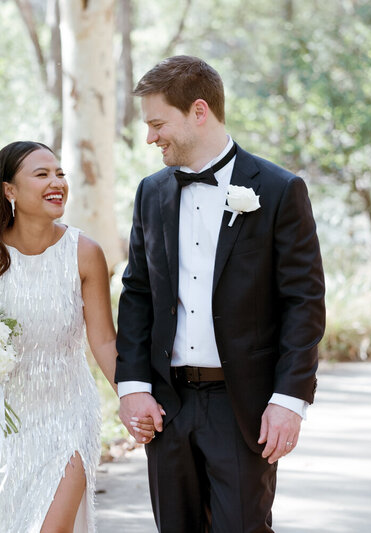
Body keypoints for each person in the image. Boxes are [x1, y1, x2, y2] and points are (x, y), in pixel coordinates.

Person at [115, 56, 326, 532]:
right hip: (167, 407)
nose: (151, 137)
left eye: (157, 123)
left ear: (199, 111)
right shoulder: (151, 192)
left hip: (242, 406)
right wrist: (132, 388)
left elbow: (304, 302)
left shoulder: (278, 189)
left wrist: (290, 399)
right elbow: (138, 293)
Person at [0, 141, 155, 533]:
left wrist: (132, 397)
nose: (56, 182)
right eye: (42, 174)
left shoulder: (84, 252)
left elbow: (103, 340)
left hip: (69, 416)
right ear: (9, 190)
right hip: (6, 422)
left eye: (59, 173)